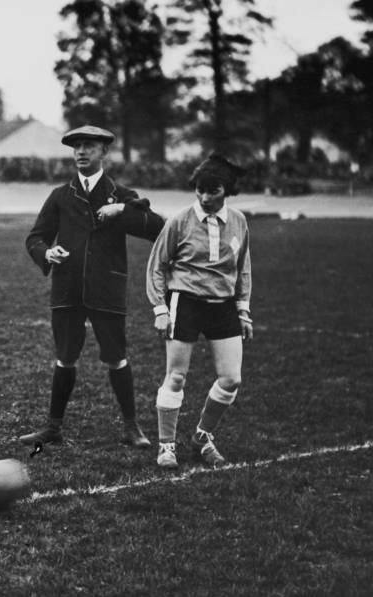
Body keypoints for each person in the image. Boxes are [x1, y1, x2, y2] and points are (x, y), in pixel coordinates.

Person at [18, 125, 165, 453]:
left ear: (104, 153)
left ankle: (131, 427)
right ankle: (53, 428)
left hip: (106, 289)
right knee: (65, 357)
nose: (81, 152)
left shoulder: (122, 194)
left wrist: (123, 210)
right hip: (67, 289)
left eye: (88, 146)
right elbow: (35, 238)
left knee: (116, 357)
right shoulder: (60, 195)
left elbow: (159, 229)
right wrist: (47, 253)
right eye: (76, 147)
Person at [146, 154, 253, 469]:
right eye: (200, 190)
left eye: (214, 190)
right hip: (185, 301)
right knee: (176, 376)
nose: (205, 198)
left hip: (223, 306)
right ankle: (166, 446)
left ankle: (202, 436)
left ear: (227, 190)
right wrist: (160, 309)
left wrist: (243, 310)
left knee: (231, 379)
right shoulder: (179, 221)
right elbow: (156, 266)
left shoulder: (239, 221)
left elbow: (243, 267)